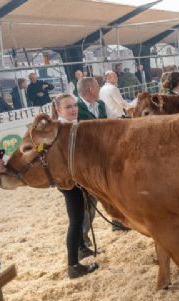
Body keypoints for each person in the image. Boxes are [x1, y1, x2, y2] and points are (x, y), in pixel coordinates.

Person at [51, 93, 99, 279]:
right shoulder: (59, 129)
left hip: (78, 178)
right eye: (68, 107)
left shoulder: (75, 125)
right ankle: (73, 265)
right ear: (58, 110)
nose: (73, 109)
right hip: (69, 182)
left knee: (81, 215)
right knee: (76, 220)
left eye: (74, 105)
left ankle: (81, 248)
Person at [76, 77, 129, 235]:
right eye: (97, 87)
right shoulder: (76, 107)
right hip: (87, 162)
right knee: (89, 201)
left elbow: (113, 120)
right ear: (91, 90)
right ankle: (82, 236)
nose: (99, 89)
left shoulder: (100, 104)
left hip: (106, 157)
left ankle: (118, 223)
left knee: (113, 192)